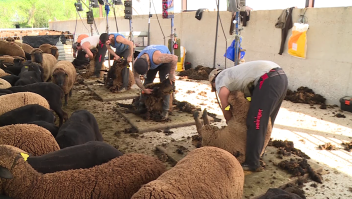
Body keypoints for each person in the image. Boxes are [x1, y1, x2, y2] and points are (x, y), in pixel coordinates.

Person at [209, 60, 288, 172]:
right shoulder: (235, 74)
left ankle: (252, 163)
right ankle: (259, 151)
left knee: (255, 120)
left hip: (268, 80)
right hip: (281, 77)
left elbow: (224, 104)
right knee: (267, 119)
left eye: (213, 87)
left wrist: (229, 121)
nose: (215, 89)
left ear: (213, 80)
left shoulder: (219, 80)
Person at [133, 45, 178, 120]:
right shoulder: (136, 63)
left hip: (164, 63)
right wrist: (144, 89)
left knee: (166, 85)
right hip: (152, 63)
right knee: (147, 82)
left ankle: (165, 110)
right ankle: (141, 104)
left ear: (148, 64)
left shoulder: (158, 58)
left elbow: (175, 58)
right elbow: (136, 78)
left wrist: (171, 74)